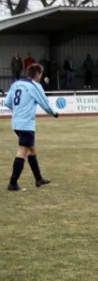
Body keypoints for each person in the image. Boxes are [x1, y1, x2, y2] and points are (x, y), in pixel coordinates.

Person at [5, 63, 59, 191]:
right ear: (38, 74)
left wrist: (18, 111)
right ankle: (13, 183)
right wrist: (54, 113)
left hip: (16, 123)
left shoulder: (16, 84)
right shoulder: (35, 86)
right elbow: (44, 103)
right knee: (22, 151)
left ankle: (38, 179)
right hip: (26, 124)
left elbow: (7, 102)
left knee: (32, 150)